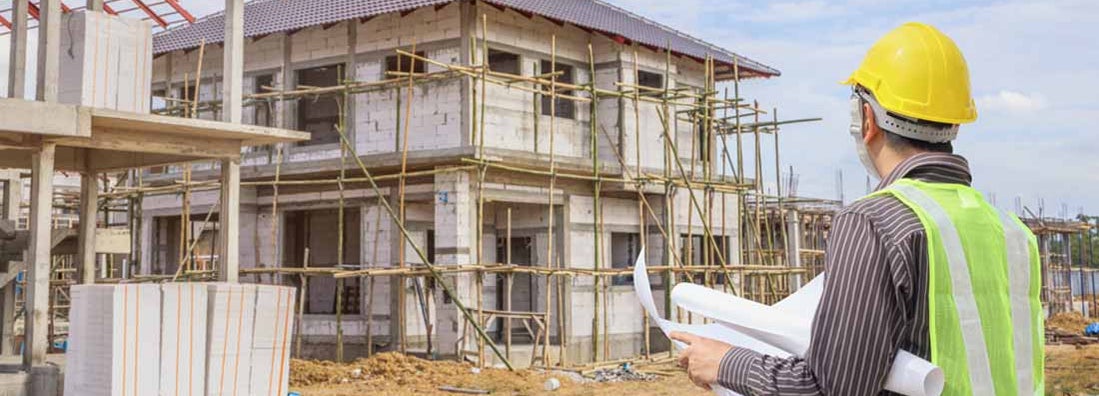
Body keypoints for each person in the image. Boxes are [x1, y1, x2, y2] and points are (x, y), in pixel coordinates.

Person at [671, 22, 1044, 395]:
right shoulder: (1014, 233)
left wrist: (725, 363)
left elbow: (832, 389)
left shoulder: (875, 222)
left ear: (867, 119)